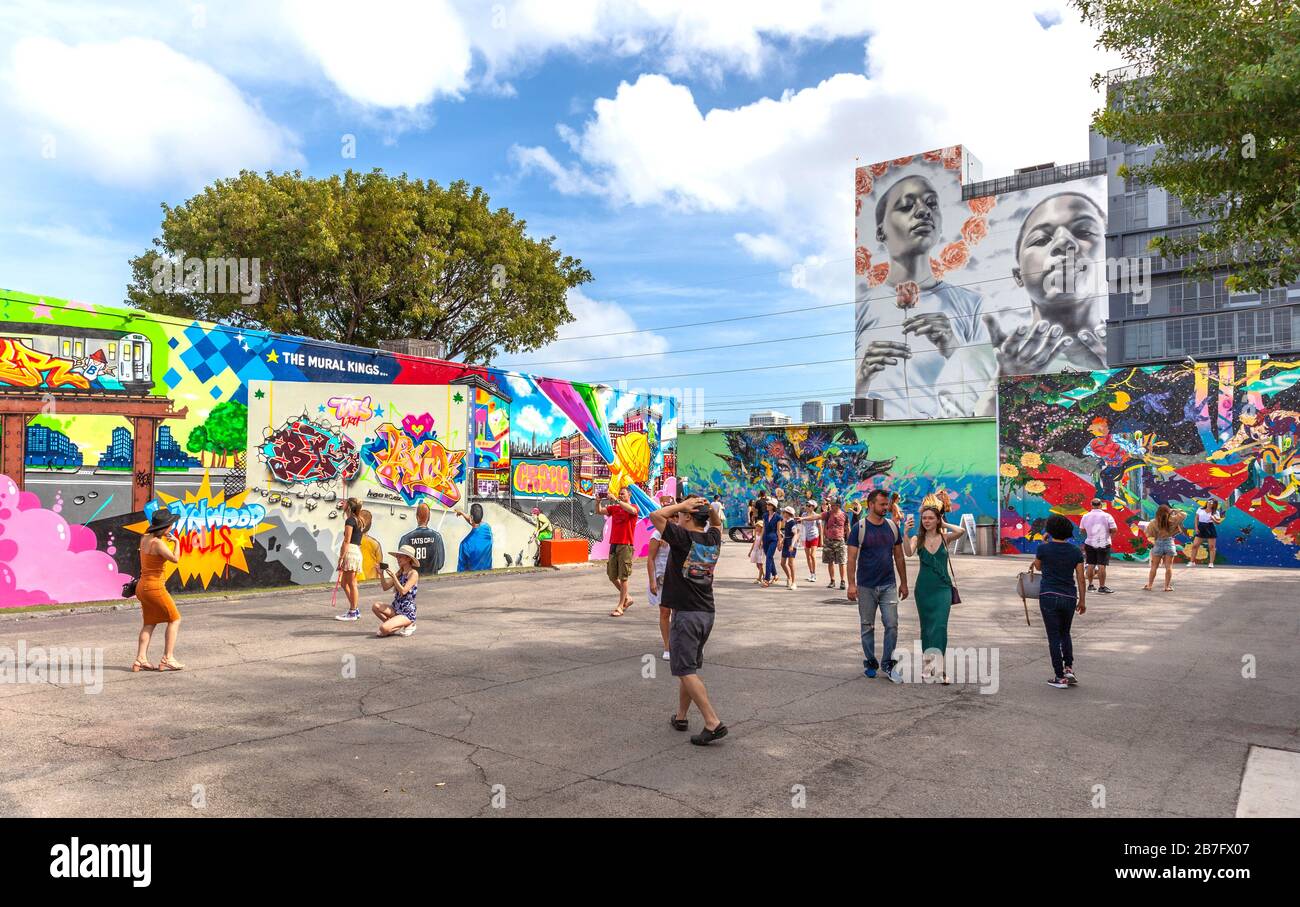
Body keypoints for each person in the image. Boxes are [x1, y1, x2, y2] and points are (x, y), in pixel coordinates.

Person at [855, 173, 988, 419]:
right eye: (907, 206)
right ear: (880, 232)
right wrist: (862, 380)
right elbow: (853, 409)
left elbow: (989, 395)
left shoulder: (970, 304)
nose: (923, 212)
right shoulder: (862, 308)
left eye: (932, 204)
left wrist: (953, 348)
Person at [986, 191, 1109, 378]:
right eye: (1041, 239)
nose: (1063, 241)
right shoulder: (976, 360)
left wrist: (1127, 373)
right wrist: (1003, 383)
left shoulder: (1139, 350)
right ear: (1018, 275)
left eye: (1083, 232)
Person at [650, 496, 726, 746]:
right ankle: (681, 716)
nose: (678, 518)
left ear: (689, 517)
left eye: (682, 515)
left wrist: (683, 505)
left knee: (684, 670)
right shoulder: (712, 539)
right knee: (688, 667)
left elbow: (656, 516)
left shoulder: (683, 538)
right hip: (706, 613)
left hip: (686, 614)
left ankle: (712, 722)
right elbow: (717, 524)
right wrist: (708, 509)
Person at [846, 489, 909, 681]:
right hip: (866, 586)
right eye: (882, 504)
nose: (886, 507)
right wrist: (851, 584)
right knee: (867, 626)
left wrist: (904, 583)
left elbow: (899, 556)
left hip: (888, 584)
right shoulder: (860, 528)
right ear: (870, 505)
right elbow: (851, 558)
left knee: (892, 624)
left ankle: (888, 663)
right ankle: (870, 662)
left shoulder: (892, 527)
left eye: (887, 504)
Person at [903, 504, 966, 683]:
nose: (927, 521)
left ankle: (940, 669)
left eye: (931, 518)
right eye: (924, 518)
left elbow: (961, 530)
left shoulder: (946, 538)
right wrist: (906, 534)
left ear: (937, 519)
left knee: (940, 627)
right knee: (927, 628)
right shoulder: (918, 538)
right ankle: (927, 664)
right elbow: (908, 552)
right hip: (923, 589)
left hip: (942, 588)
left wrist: (944, 524)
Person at [1032, 514, 1087, 689]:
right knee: (1065, 633)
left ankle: (1059, 676)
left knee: (1053, 636)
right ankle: (1068, 669)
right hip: (1070, 596)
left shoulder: (1043, 548)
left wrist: (1044, 542)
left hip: (1048, 595)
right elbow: (1081, 577)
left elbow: (1038, 566)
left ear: (1049, 530)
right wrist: (1082, 600)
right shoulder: (1076, 551)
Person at [132, 507, 185, 672]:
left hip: (142, 587)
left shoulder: (145, 538)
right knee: (175, 619)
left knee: (149, 623)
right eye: (170, 525)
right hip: (155, 587)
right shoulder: (158, 544)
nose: (172, 527)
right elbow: (175, 559)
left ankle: (140, 660)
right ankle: (168, 658)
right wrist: (176, 542)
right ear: (166, 528)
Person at [647, 493, 678, 661]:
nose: (673, 519)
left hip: (679, 578)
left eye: (675, 516)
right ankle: (667, 646)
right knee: (665, 611)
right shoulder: (657, 535)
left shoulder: (681, 533)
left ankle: (679, 643)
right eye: (670, 516)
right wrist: (652, 580)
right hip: (662, 578)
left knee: (679, 612)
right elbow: (650, 559)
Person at [601, 487, 639, 615]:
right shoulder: (615, 508)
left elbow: (632, 510)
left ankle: (620, 606)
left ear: (629, 495)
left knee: (623, 577)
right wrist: (597, 501)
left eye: (623, 494)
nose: (620, 495)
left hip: (625, 545)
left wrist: (616, 500)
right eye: (619, 494)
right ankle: (628, 597)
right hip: (614, 544)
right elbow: (600, 511)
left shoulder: (633, 507)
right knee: (612, 575)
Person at [372, 545, 420, 637]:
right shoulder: (400, 572)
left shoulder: (413, 574)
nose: (398, 559)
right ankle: (391, 626)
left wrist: (394, 577)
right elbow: (385, 587)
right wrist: (381, 574)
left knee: (383, 629)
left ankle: (409, 624)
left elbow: (403, 591)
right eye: (397, 556)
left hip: (407, 612)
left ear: (408, 559)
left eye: (400, 556)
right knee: (375, 606)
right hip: (396, 607)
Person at [805, 498, 848, 590]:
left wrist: (851, 540)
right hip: (829, 541)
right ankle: (832, 580)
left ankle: (842, 581)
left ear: (838, 505)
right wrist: (803, 518)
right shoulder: (828, 514)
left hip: (840, 541)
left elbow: (848, 528)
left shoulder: (845, 515)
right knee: (830, 562)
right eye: (831, 505)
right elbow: (816, 517)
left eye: (833, 505)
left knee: (842, 562)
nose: (831, 507)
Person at [334, 498, 365, 621]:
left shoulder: (350, 520)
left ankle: (353, 611)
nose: (343, 504)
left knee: (351, 583)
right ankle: (354, 609)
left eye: (345, 502)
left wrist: (341, 557)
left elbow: (347, 540)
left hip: (350, 551)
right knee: (345, 583)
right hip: (355, 550)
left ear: (349, 506)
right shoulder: (358, 520)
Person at [1143, 504, 1185, 592]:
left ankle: (1150, 585)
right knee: (1169, 567)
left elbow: (1148, 534)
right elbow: (1183, 514)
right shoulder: (1173, 520)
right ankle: (1167, 587)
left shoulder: (1153, 522)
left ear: (1157, 512)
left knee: (1154, 567)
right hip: (1169, 543)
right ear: (1168, 512)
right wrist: (1173, 510)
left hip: (1158, 543)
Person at [1079, 498, 1117, 593]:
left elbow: (1082, 530)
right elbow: (1114, 529)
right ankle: (1102, 587)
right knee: (1101, 565)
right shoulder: (1107, 516)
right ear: (1100, 505)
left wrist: (1089, 534)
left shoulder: (1085, 516)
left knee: (1090, 564)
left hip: (1090, 542)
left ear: (1091, 505)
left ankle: (1090, 585)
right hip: (1103, 543)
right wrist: (1109, 536)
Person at [398, 502, 445, 575]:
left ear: (416, 517)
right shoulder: (437, 537)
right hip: (431, 581)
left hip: (411, 582)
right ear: (429, 518)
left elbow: (401, 563)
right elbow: (440, 564)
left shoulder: (405, 538)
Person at [455, 502, 494, 572]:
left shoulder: (465, 544)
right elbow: (476, 522)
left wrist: (463, 514)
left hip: (473, 580)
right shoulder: (487, 529)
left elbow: (461, 571)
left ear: (471, 517)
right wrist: (463, 514)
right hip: (489, 577)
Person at [1188, 500, 1223, 568]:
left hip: (1210, 527)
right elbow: (1196, 518)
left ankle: (1211, 563)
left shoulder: (1216, 512)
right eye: (1209, 501)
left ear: (1214, 505)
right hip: (1201, 527)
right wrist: (1196, 527)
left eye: (1212, 502)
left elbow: (1218, 523)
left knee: (1211, 547)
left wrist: (1213, 519)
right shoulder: (1200, 509)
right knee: (1195, 545)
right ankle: (1192, 562)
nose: (1209, 503)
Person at [760, 498, 781, 587]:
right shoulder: (765, 515)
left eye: (769, 504)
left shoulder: (778, 517)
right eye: (767, 504)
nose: (767, 505)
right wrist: (760, 540)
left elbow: (778, 530)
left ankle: (767, 579)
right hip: (765, 539)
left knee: (768, 557)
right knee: (770, 557)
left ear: (773, 506)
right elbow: (763, 528)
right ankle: (775, 575)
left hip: (773, 539)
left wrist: (780, 542)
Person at [779, 505, 801, 590]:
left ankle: (794, 582)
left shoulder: (792, 522)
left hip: (791, 544)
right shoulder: (787, 522)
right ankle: (789, 577)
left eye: (784, 512)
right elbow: (786, 534)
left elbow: (795, 534)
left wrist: (792, 545)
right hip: (786, 543)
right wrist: (781, 542)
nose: (783, 514)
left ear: (788, 514)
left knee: (790, 563)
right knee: (782, 563)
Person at [801, 500, 821, 583]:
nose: (807, 507)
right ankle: (811, 573)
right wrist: (801, 538)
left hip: (814, 536)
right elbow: (802, 526)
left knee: (812, 555)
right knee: (807, 556)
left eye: (809, 505)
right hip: (806, 537)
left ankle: (814, 574)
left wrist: (822, 539)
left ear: (813, 507)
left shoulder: (816, 516)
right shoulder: (803, 515)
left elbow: (820, 527)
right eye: (807, 505)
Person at [748, 511, 766, 582]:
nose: (756, 527)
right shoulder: (756, 533)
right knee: (757, 565)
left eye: (758, 526)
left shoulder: (763, 534)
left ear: (761, 527)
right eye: (756, 526)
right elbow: (754, 542)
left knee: (760, 564)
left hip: (760, 551)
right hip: (755, 550)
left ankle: (759, 578)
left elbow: (763, 543)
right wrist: (750, 551)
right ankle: (763, 575)